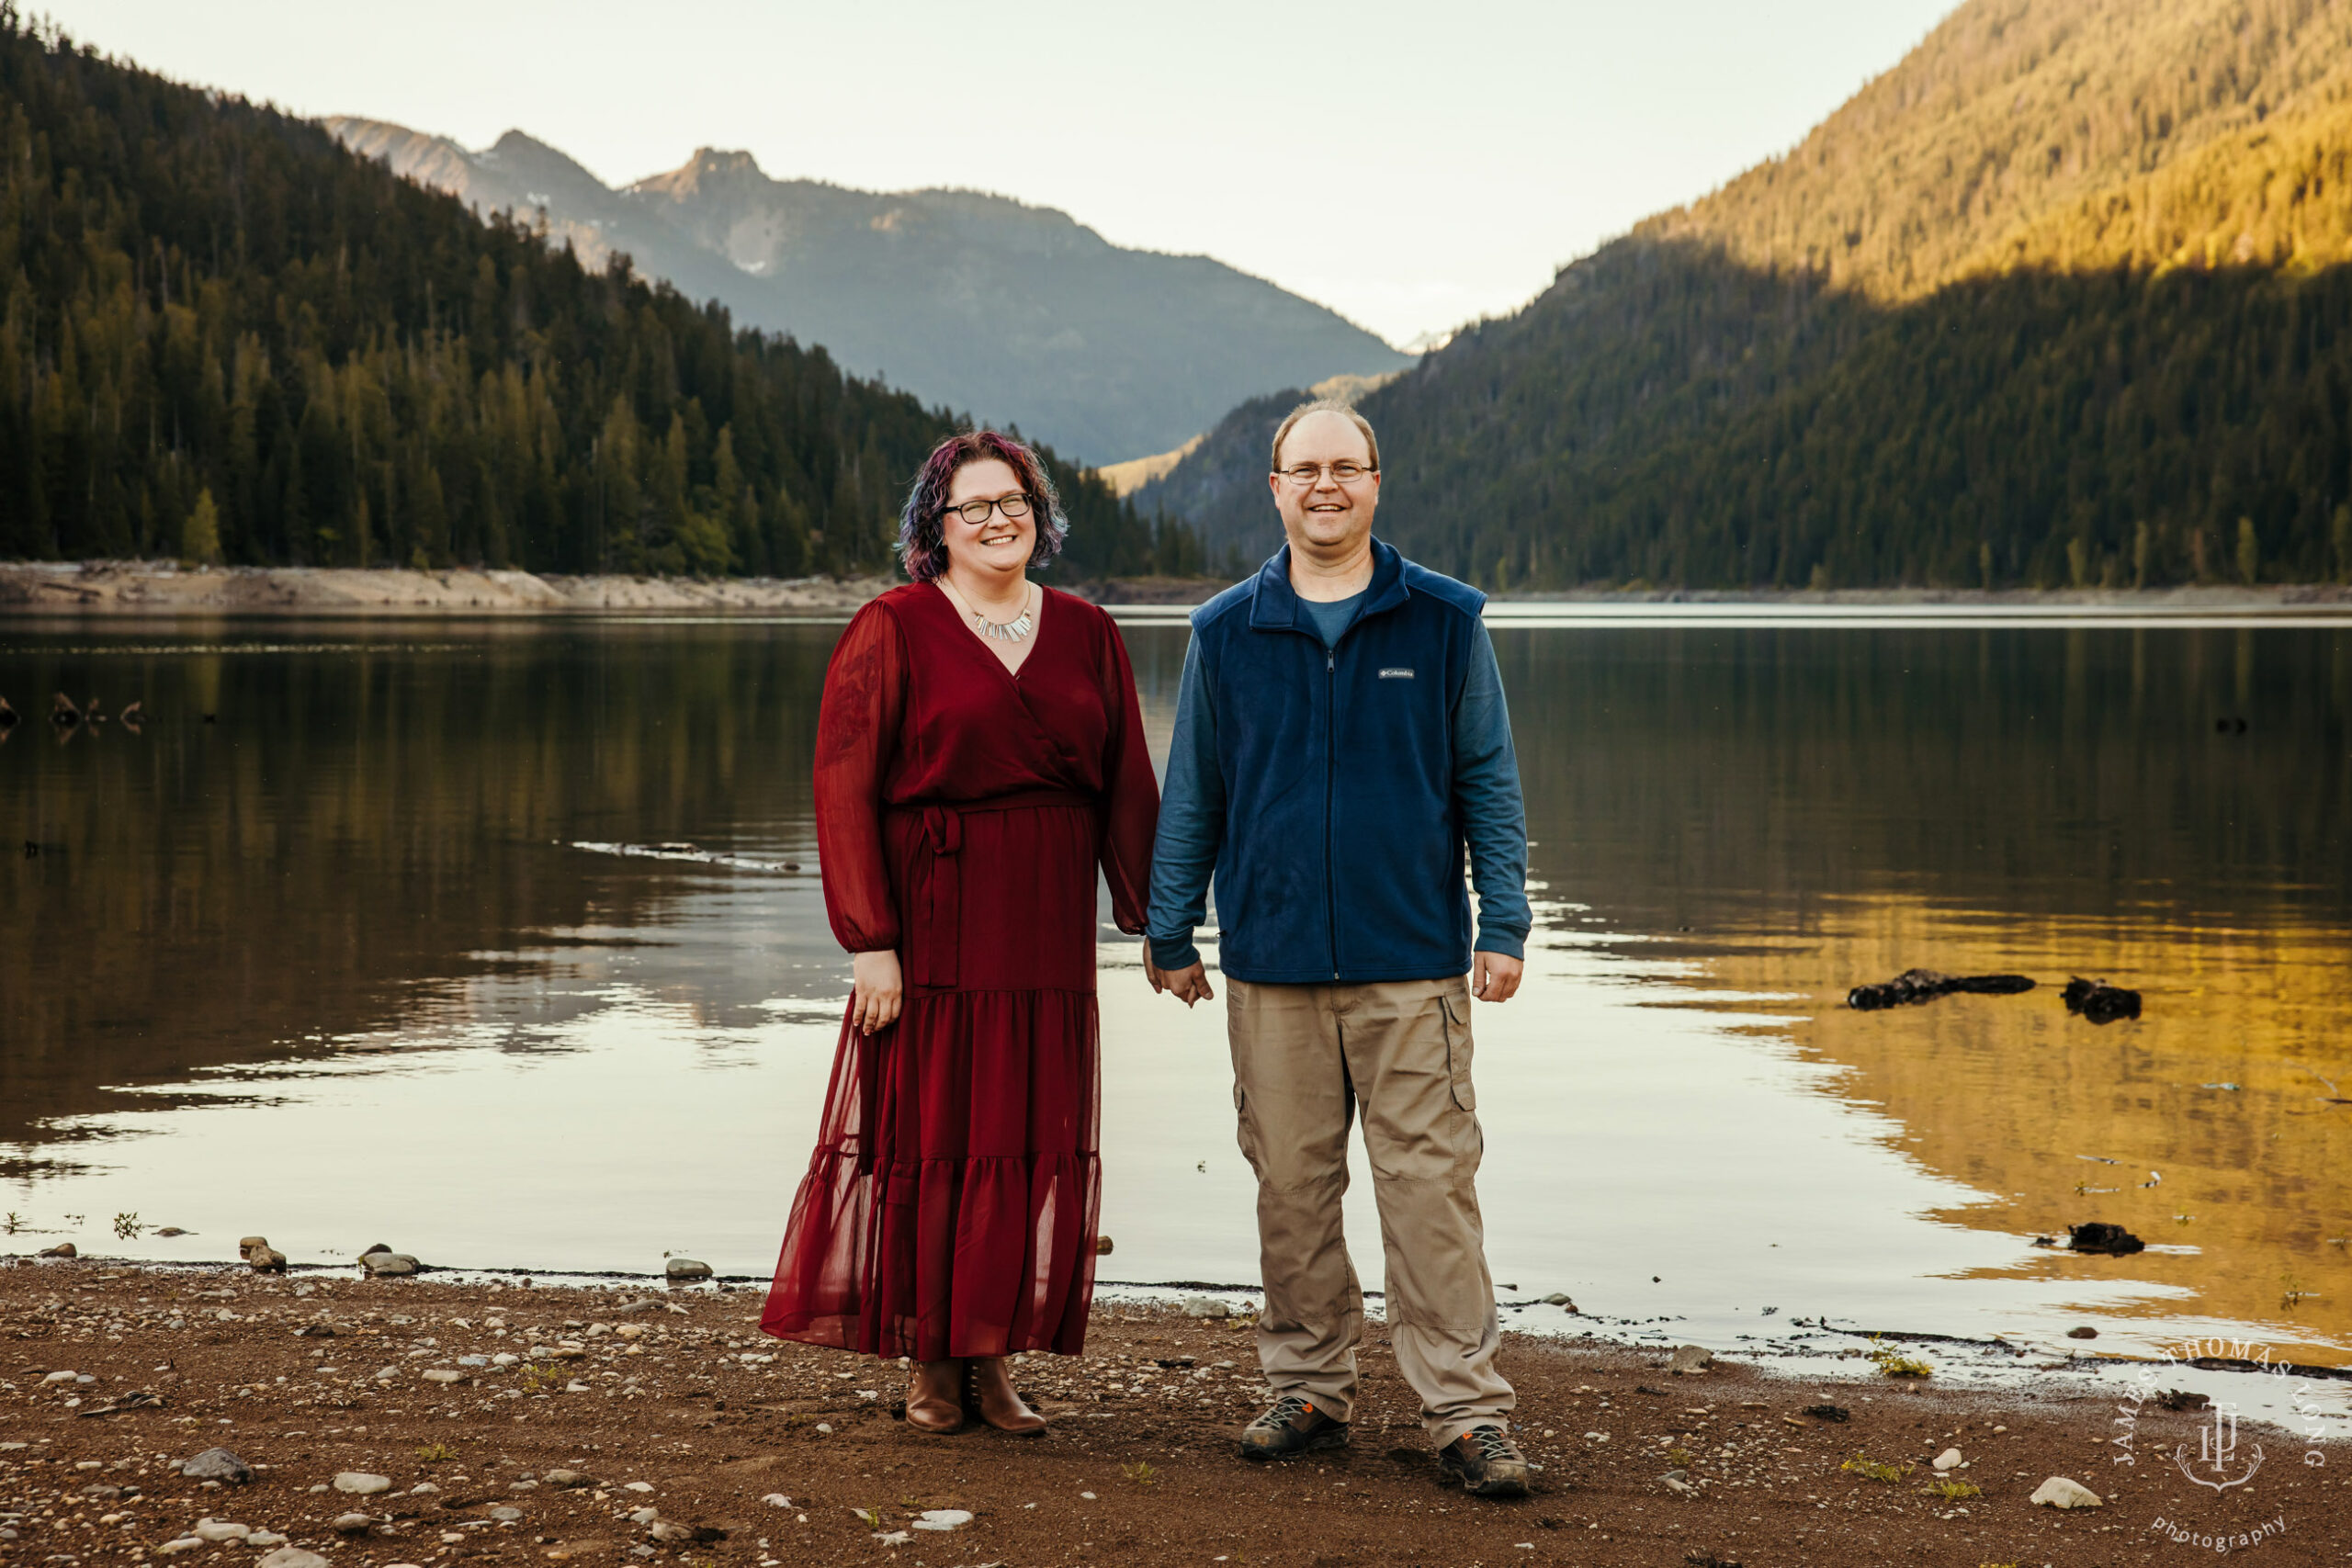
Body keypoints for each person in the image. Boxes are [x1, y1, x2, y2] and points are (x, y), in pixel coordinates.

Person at [1144, 400, 1535, 1497]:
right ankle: (1309, 1387)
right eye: (1303, 468)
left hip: (1411, 961)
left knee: (1430, 1189)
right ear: (1273, 487)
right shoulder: (1226, 629)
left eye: (1345, 468)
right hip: (1268, 964)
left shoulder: (1446, 621)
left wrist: (1501, 920)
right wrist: (1168, 926)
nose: (1325, 485)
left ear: (1376, 482)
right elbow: (1195, 797)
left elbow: (1488, 786)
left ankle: (1464, 1414)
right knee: (1292, 1187)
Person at [761, 430, 1160, 1436]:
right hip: (934, 920)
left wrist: (1158, 920)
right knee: (932, 1136)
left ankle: (992, 1359)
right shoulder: (891, 627)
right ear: (933, 529)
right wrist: (869, 939)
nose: (998, 519)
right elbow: (844, 785)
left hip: (1044, 929)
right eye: (974, 506)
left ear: (1041, 516)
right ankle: (931, 1363)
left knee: (1028, 1138)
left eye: (1014, 501)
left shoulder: (1086, 630)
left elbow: (1126, 791)